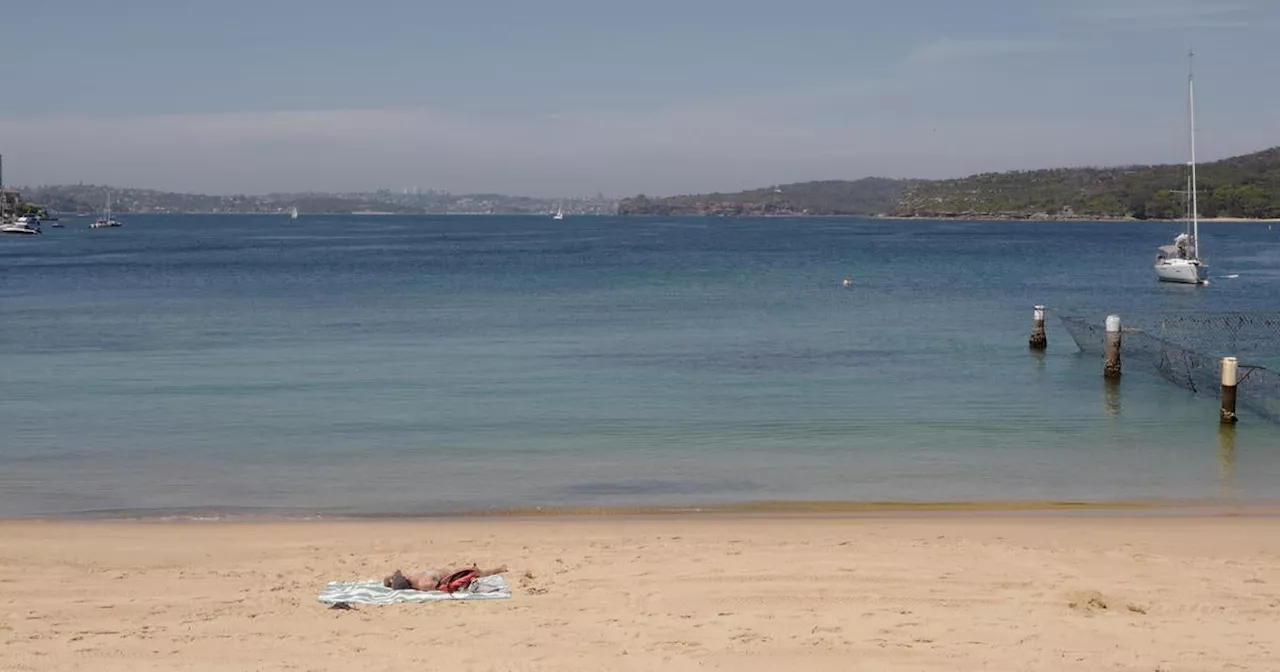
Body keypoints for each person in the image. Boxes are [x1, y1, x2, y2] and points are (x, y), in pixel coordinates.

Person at [383, 564, 507, 591]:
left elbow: (395, 573)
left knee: (478, 571)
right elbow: (438, 585)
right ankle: (499, 569)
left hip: (452, 572)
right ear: (405, 579)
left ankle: (498, 569)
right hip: (454, 577)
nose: (405, 573)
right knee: (479, 573)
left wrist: (389, 579)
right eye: (403, 576)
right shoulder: (422, 583)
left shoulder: (415, 578)